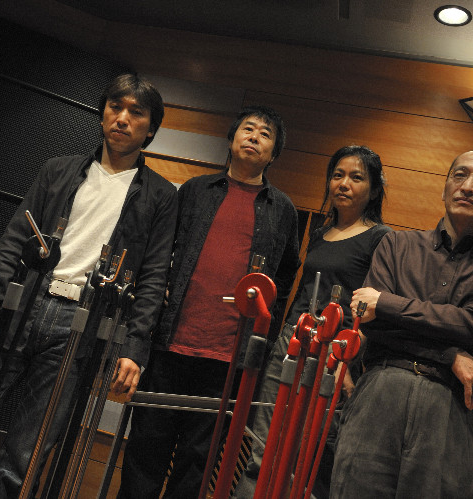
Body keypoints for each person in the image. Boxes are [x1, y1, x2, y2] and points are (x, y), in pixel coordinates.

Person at [0, 73, 178, 498]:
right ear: (102, 114)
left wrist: (134, 347)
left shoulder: (161, 195)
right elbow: (12, 243)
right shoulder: (57, 169)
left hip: (82, 325)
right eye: (115, 107)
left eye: (136, 112)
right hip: (22, 306)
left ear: (151, 129)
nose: (122, 118)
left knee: (23, 462)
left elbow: (153, 277)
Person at [117, 105, 300, 499]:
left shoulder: (283, 209)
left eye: (265, 134)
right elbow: (162, 250)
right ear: (231, 139)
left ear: (274, 154)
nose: (254, 137)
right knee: (146, 447)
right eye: (248, 129)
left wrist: (264, 332)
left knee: (197, 462)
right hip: (171, 343)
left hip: (229, 357)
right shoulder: (195, 190)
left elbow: (284, 277)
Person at [330, 147, 473, 498]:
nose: (467, 186)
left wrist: (388, 304)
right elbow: (370, 321)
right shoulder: (396, 245)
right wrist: (451, 355)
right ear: (445, 187)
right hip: (380, 392)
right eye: (459, 175)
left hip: (449, 406)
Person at [233, 145, 392, 498]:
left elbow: (370, 308)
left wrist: (346, 361)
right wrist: (281, 341)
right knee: (262, 447)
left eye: (356, 177)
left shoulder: (381, 237)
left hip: (333, 352)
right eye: (337, 175)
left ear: (374, 190)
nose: (344, 184)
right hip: (292, 341)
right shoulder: (320, 233)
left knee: (303, 457)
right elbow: (303, 292)